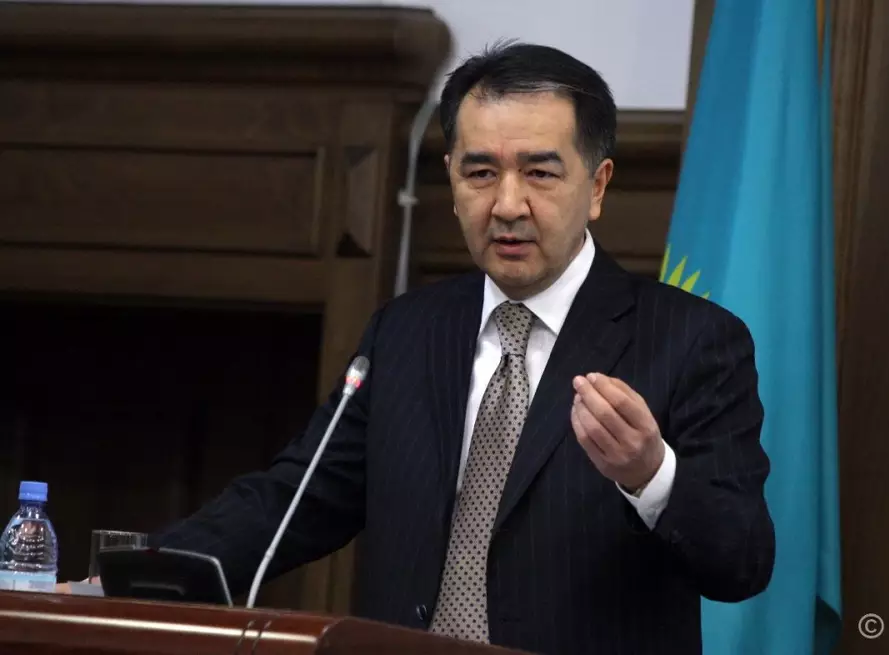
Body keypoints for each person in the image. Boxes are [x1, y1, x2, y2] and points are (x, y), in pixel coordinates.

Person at [147, 41, 775, 655]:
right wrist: (140, 576)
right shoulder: (405, 331)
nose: (507, 204)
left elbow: (742, 561)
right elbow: (297, 498)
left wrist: (651, 475)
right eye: (480, 173)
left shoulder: (691, 341)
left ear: (597, 186)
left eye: (540, 173)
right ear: (451, 180)